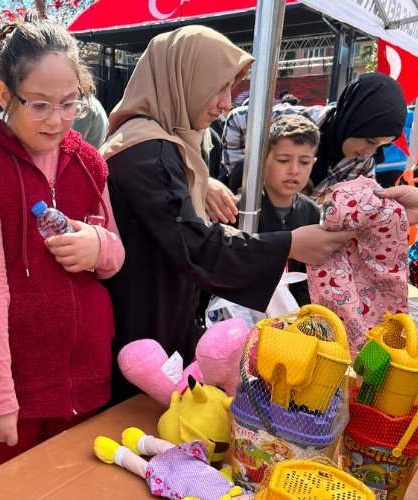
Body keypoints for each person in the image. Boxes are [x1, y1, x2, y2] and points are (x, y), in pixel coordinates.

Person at [100, 26, 354, 404]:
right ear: (183, 78)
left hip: (159, 308)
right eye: (216, 87)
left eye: (229, 90)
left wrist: (201, 187)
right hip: (142, 318)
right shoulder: (145, 150)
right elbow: (196, 246)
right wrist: (289, 243)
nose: (225, 104)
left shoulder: (166, 141)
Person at [0, 14, 125, 473]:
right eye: (39, 105)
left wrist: (97, 245)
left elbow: (117, 255)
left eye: (69, 103)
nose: (57, 120)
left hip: (84, 372)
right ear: (4, 95)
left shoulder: (86, 160)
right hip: (15, 385)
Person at [220, 72, 407, 212]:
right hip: (248, 213)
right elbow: (236, 119)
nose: (370, 151)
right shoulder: (294, 119)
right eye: (370, 140)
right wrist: (246, 176)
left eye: (381, 146)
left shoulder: (364, 166)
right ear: (354, 119)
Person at [253, 114, 321, 306]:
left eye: (304, 162)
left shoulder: (311, 211)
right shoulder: (240, 209)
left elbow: (306, 275)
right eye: (283, 160)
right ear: (263, 159)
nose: (294, 170)